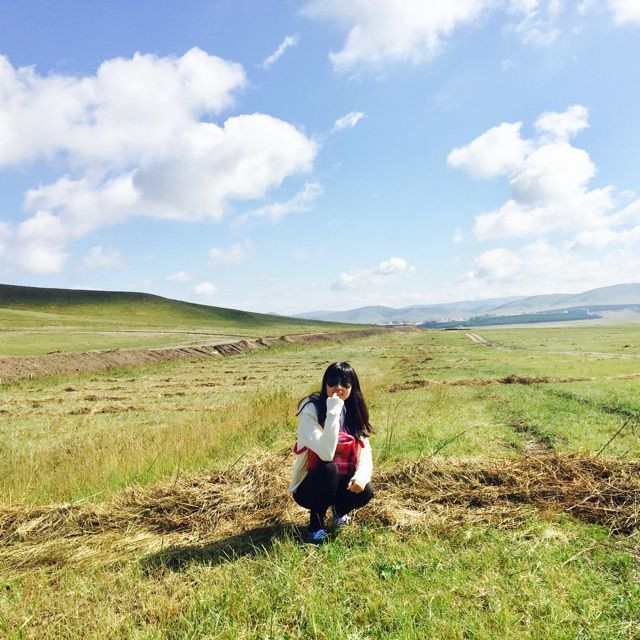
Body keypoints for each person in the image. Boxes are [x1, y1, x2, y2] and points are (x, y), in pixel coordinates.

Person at [289, 361, 374, 543]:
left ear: (352, 387)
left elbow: (365, 452)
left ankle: (340, 511)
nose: (338, 387)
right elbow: (326, 453)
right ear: (324, 384)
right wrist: (333, 410)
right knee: (329, 468)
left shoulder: (353, 411)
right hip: (310, 486)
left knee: (366, 490)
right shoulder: (310, 408)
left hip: (342, 481)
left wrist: (360, 478)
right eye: (333, 382)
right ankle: (315, 526)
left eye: (345, 383)